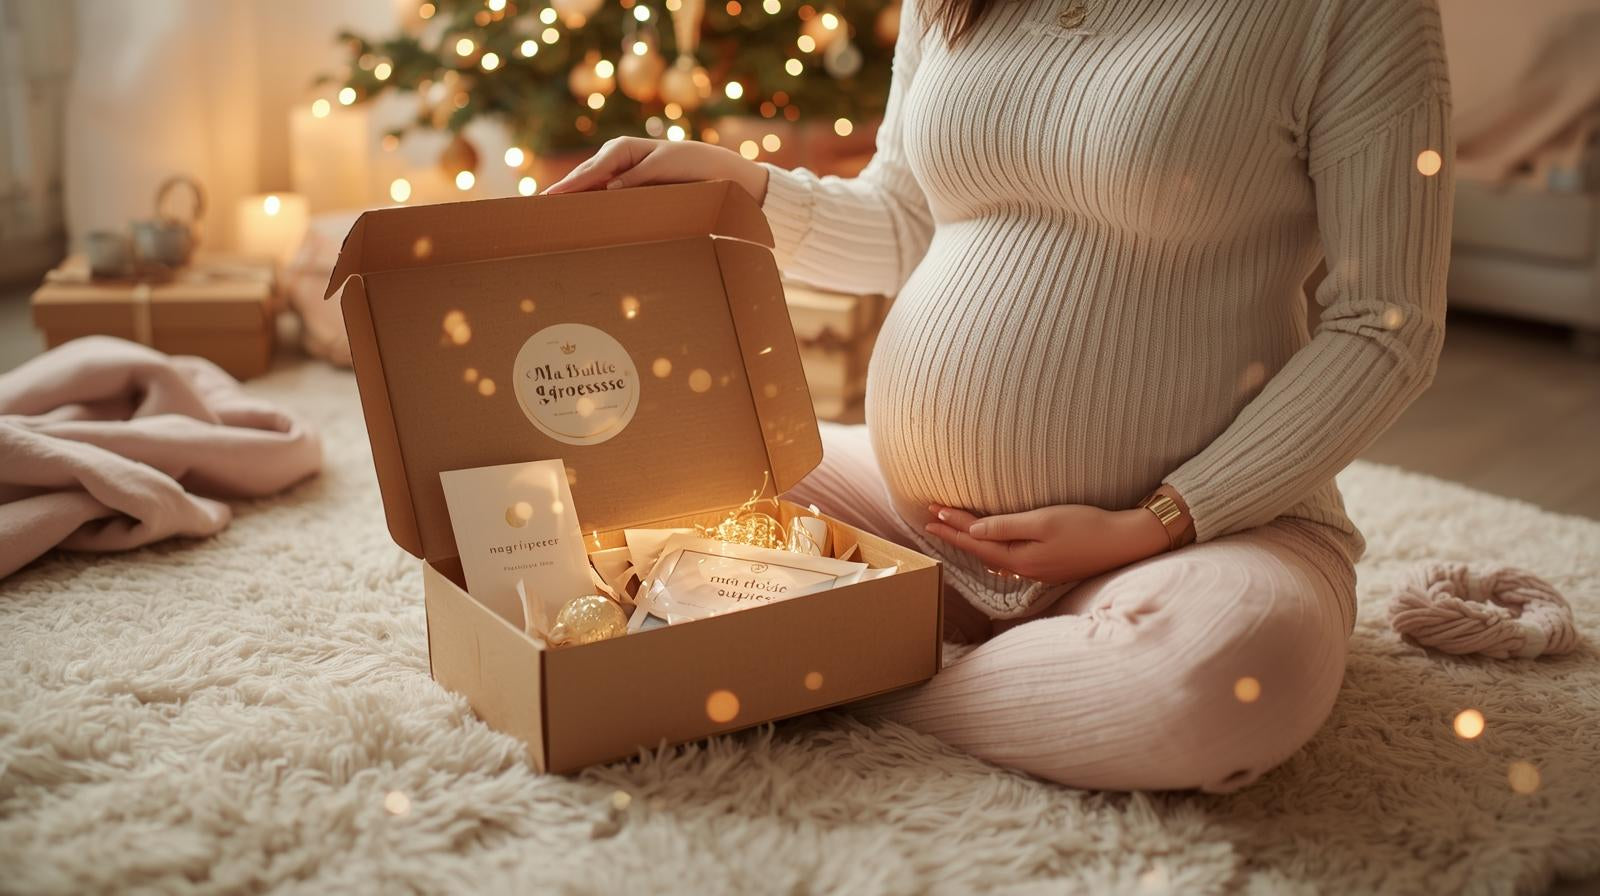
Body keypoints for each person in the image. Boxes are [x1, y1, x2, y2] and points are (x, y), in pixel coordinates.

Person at [547, 0, 1453, 792]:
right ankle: (942, 669)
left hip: (1199, 537)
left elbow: (1387, 324)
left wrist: (1159, 521)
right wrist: (740, 187)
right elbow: (905, 220)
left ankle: (859, 682)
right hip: (918, 523)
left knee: (1226, 684)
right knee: (608, 499)